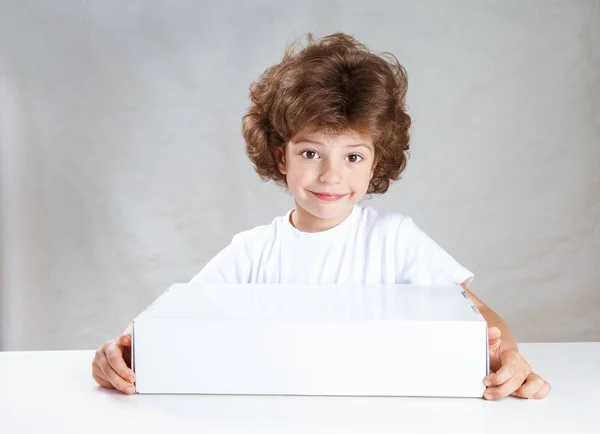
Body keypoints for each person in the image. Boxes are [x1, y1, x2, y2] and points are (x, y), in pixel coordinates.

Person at [92, 32, 550, 400]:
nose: (331, 175)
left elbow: (482, 319)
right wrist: (121, 352)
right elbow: (170, 320)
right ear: (280, 156)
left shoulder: (397, 240)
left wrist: (509, 356)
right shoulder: (251, 253)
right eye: (311, 152)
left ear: (376, 162)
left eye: (353, 157)